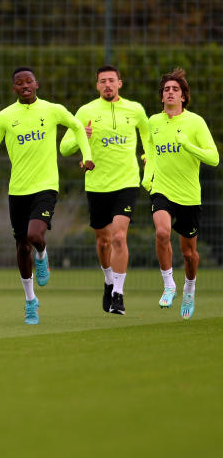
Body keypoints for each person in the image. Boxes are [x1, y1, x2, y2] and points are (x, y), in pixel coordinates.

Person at [0, 66, 94, 325]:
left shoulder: (52, 110)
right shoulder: (4, 117)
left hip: (45, 186)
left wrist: (87, 156)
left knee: (35, 236)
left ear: (37, 84)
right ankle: (31, 301)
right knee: (21, 246)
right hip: (17, 190)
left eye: (28, 81)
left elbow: (76, 126)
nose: (24, 86)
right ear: (14, 88)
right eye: (19, 83)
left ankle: (42, 255)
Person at [60, 65, 151, 315]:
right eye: (103, 81)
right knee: (103, 241)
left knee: (119, 237)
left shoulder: (135, 110)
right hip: (97, 184)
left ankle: (118, 295)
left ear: (120, 83)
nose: (107, 85)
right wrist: (83, 136)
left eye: (111, 80)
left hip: (127, 182)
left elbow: (149, 138)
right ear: (97, 85)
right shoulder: (86, 111)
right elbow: (65, 147)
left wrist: (148, 158)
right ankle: (109, 281)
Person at [141, 68, 218, 320]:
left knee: (188, 253)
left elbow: (214, 158)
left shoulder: (195, 122)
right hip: (162, 190)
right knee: (162, 232)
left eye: (175, 89)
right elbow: (151, 152)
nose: (170, 93)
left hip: (189, 196)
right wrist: (147, 176)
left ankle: (189, 288)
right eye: (166, 90)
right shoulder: (153, 122)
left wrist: (188, 145)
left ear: (183, 96)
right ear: (161, 96)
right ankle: (169, 285)